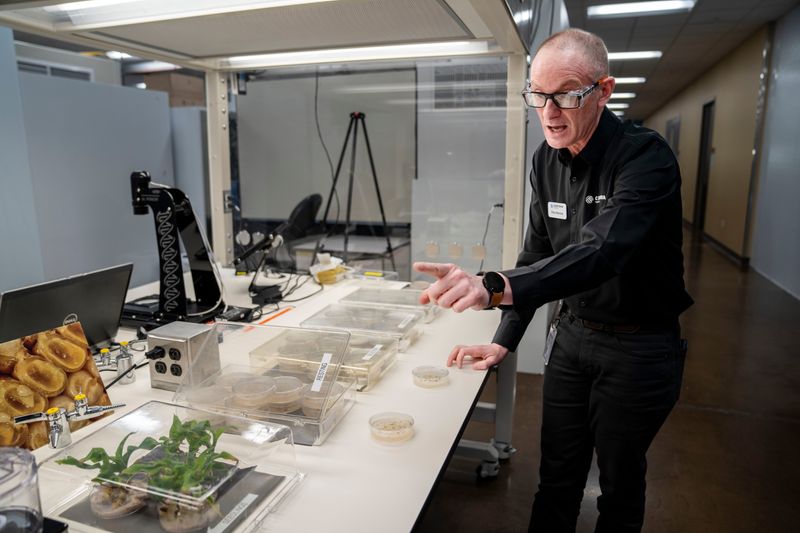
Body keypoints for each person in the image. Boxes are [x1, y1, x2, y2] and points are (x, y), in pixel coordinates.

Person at [414, 28, 693, 533]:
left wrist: (494, 284)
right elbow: (537, 255)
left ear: (603, 91)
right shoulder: (545, 161)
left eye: (565, 94)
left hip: (639, 349)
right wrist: (504, 341)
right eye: (538, 95)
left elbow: (602, 251)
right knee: (556, 478)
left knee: (619, 486)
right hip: (572, 339)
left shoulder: (645, 159)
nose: (549, 111)